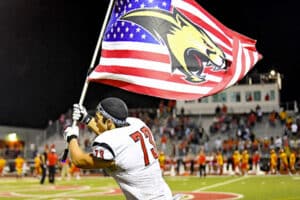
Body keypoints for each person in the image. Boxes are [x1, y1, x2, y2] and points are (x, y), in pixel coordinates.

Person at [64, 97, 173, 199]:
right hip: (164, 195)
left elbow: (79, 161)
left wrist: (71, 138)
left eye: (97, 119)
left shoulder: (113, 141)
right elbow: (113, 132)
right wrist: (86, 118)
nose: (95, 122)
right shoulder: (136, 124)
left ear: (110, 122)